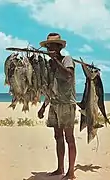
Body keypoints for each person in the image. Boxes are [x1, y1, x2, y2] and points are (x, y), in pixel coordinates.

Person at [38, 33, 77, 180]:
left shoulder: (67, 59)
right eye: (48, 46)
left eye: (52, 46)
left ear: (59, 47)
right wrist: (44, 106)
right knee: (58, 137)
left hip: (67, 103)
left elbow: (69, 75)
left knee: (69, 138)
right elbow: (50, 87)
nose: (49, 48)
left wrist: (56, 61)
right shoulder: (49, 65)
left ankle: (71, 171)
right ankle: (60, 168)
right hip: (54, 103)